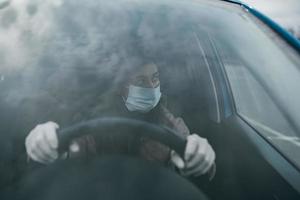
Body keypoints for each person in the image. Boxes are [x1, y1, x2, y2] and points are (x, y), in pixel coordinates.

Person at [25, 61, 216, 179]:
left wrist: (198, 154)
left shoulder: (171, 124)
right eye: (140, 81)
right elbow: (70, 148)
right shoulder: (92, 121)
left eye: (155, 79)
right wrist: (47, 142)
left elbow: (189, 153)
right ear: (120, 88)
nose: (151, 87)